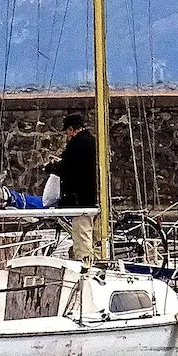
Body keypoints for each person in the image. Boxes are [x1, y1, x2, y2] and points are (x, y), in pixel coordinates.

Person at [45, 112, 97, 261]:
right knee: (93, 235)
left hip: (80, 199)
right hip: (93, 196)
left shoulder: (76, 144)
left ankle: (84, 266)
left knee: (82, 235)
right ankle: (96, 260)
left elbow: (68, 168)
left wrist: (52, 167)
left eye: (67, 131)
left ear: (71, 129)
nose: (67, 135)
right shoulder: (92, 141)